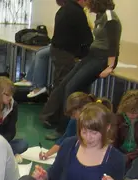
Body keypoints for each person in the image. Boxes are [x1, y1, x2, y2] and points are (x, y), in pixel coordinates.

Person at [40, 0, 121, 139]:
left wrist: (110, 66)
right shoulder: (100, 16)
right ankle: (70, 125)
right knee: (65, 84)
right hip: (92, 55)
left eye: (90, 3)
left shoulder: (110, 17)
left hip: (101, 59)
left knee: (71, 88)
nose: (87, 6)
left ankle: (63, 130)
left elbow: (114, 44)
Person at [40, 93, 111, 160]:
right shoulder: (74, 121)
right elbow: (64, 139)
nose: (72, 117)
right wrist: (47, 154)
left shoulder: (99, 121)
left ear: (82, 110)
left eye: (73, 113)